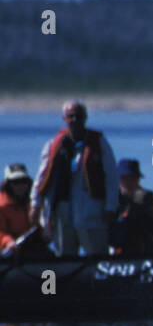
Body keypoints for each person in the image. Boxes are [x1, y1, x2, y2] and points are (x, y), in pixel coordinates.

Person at [34, 100, 119, 257]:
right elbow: (41, 178)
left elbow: (112, 177)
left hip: (92, 211)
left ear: (85, 118)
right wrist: (36, 204)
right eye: (70, 116)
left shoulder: (99, 143)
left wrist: (111, 206)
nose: (74, 120)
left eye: (78, 116)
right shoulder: (53, 145)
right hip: (63, 212)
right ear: (64, 119)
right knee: (65, 257)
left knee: (97, 255)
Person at [0, 163, 36, 254]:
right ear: (8, 184)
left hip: (32, 247)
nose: (20, 186)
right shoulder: (1, 206)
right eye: (16, 182)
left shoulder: (34, 203)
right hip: (7, 251)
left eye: (23, 181)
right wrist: (8, 242)